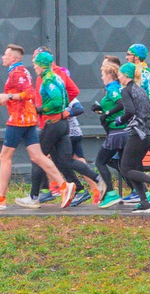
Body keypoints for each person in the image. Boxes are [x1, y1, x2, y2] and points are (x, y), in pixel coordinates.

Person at [0, 43, 70, 210]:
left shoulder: (17, 73)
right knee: (37, 156)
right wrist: (6, 99)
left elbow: (29, 93)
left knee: (5, 157)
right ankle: (65, 186)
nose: (3, 57)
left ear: (13, 58)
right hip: (28, 118)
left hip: (18, 119)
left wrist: (8, 96)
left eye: (5, 55)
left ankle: (0, 197)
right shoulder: (21, 72)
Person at [29, 50, 101, 206]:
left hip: (52, 122)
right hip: (61, 123)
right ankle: (88, 184)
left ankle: (34, 197)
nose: (33, 65)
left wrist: (42, 109)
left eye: (35, 61)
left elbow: (54, 101)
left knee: (38, 158)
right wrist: (63, 107)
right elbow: (70, 93)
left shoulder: (48, 78)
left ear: (42, 63)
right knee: (64, 161)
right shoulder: (57, 75)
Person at [116, 61, 150, 210]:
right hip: (148, 133)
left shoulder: (126, 91)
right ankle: (144, 202)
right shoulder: (141, 90)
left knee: (125, 169)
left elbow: (129, 111)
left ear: (125, 76)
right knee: (133, 168)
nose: (118, 78)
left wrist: (120, 120)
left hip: (137, 133)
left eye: (119, 75)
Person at [93, 56, 132, 205]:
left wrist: (107, 114)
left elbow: (121, 104)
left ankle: (110, 193)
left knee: (100, 161)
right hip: (122, 131)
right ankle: (142, 193)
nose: (101, 77)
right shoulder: (115, 87)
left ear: (109, 75)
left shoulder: (112, 87)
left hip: (117, 132)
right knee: (123, 165)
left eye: (103, 74)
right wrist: (101, 109)